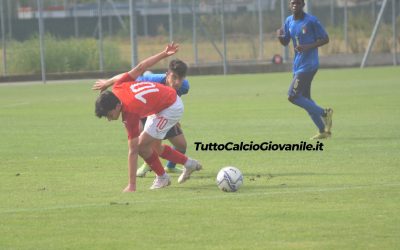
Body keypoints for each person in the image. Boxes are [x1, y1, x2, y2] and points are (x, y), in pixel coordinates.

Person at [93, 43, 202, 192]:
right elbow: (140, 67)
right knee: (155, 147)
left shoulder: (129, 112)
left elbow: (132, 151)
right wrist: (164, 54)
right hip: (160, 107)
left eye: (109, 115)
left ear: (117, 107)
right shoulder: (118, 86)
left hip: (171, 107)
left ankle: (163, 177)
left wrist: (132, 185)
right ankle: (188, 164)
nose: (110, 119)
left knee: (141, 146)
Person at [277, 0, 333, 140]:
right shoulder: (289, 21)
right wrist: (279, 36)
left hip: (309, 65)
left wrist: (308, 46)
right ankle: (323, 131)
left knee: (292, 96)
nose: (295, 5)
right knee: (305, 99)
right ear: (290, 6)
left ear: (303, 5)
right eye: (292, 3)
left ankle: (325, 113)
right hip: (298, 65)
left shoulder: (311, 21)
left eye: (298, 3)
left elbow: (325, 39)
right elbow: (285, 42)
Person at [135, 59, 190, 177]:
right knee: (153, 143)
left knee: (181, 146)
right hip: (148, 112)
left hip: (166, 113)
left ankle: (170, 167)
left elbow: (175, 100)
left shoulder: (184, 87)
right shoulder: (153, 81)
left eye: (180, 79)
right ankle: (147, 164)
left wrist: (174, 120)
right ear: (167, 74)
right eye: (174, 77)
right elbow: (134, 83)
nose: (176, 82)